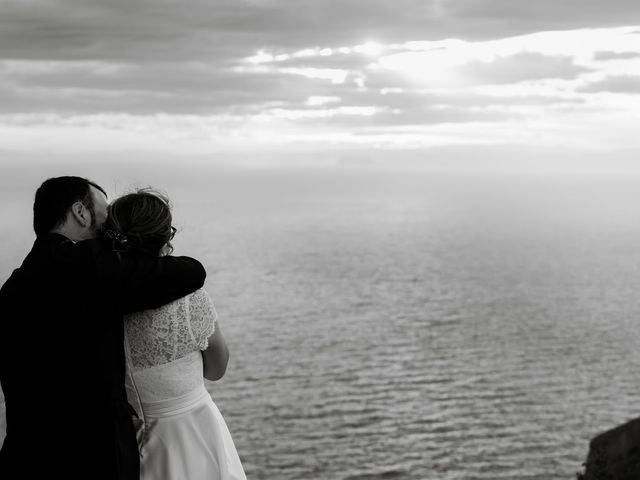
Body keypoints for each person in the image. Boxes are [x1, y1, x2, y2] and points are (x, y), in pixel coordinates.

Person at [0, 176, 206, 480]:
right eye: (105, 211)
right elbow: (190, 272)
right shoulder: (86, 265)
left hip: (24, 456)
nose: (110, 221)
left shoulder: (12, 288)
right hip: (91, 457)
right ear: (81, 212)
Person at [103, 189, 247, 480]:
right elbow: (217, 369)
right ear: (165, 235)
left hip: (132, 440)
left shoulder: (99, 297)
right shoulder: (188, 293)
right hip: (198, 427)